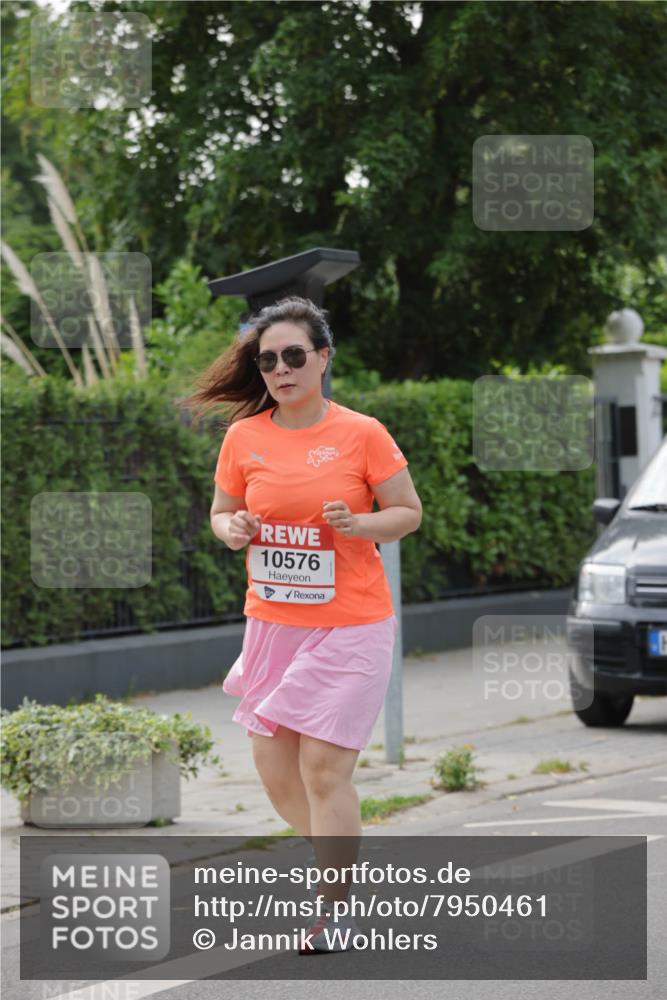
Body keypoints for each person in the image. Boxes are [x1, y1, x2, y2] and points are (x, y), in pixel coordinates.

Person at [190, 295, 422, 951]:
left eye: (294, 355)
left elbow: (406, 512)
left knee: (323, 770)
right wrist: (231, 529)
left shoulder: (361, 433)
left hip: (352, 623)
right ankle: (338, 862)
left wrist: (360, 523)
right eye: (267, 360)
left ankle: (332, 908)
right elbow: (221, 513)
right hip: (273, 624)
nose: (281, 369)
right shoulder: (244, 437)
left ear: (323, 358)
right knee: (276, 772)